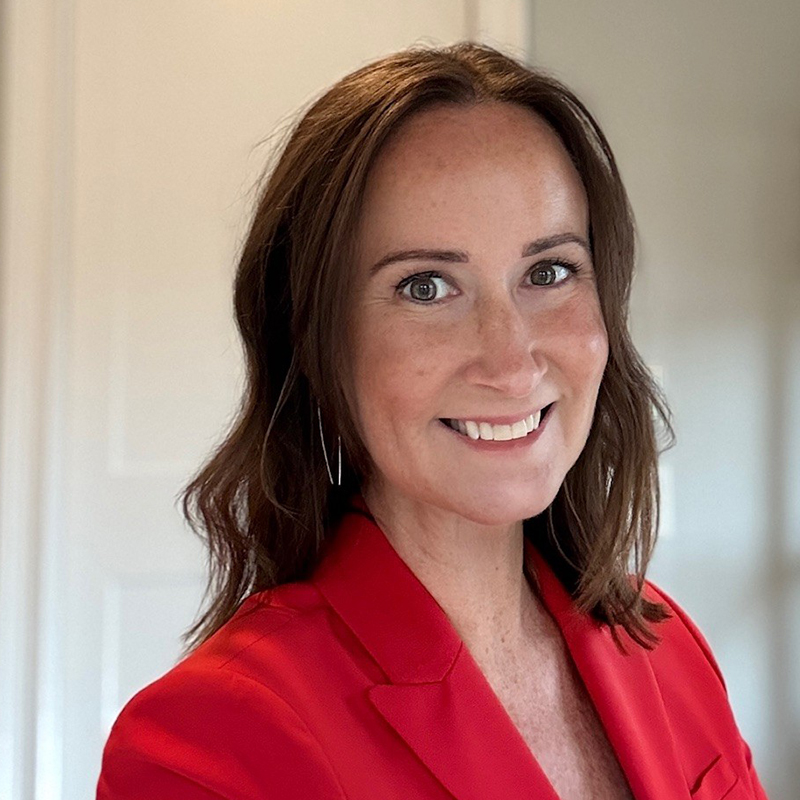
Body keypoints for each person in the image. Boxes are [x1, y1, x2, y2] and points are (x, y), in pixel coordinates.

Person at [96, 42, 768, 799]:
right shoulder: (209, 743)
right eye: (425, 287)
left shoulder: (666, 643)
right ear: (316, 339)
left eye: (548, 272)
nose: (511, 361)